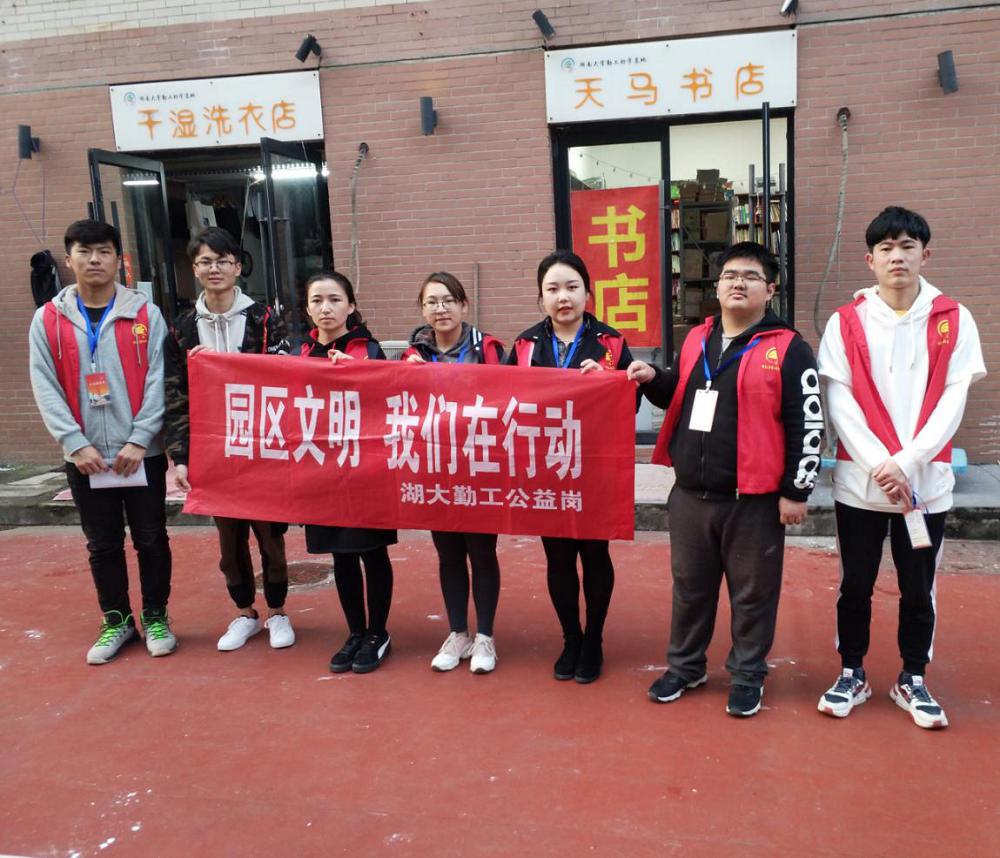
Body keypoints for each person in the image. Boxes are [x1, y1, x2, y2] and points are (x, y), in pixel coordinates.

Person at [816, 207, 986, 729]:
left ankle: (912, 677)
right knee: (855, 583)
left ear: (925, 255)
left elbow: (953, 401)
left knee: (919, 588)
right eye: (886, 248)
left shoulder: (954, 318)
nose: (897, 256)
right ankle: (852, 672)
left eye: (907, 246)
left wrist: (907, 463)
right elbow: (839, 402)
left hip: (925, 487)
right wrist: (879, 465)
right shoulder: (846, 322)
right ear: (869, 260)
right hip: (859, 487)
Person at [643, 241, 821, 717]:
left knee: (753, 595)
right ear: (717, 286)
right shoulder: (697, 339)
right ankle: (686, 667)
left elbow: (808, 422)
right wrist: (651, 378)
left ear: (770, 290)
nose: (738, 283)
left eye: (750, 276)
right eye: (729, 276)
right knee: (690, 589)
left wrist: (796, 490)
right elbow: (680, 395)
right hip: (691, 496)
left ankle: (747, 676)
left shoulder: (789, 348)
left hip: (754, 500)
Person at [508, 250, 670, 684]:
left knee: (595, 553)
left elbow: (630, 401)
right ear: (540, 297)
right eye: (553, 289)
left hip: (595, 465)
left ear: (587, 293)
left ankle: (594, 638)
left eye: (572, 287)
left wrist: (605, 382)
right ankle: (571, 639)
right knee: (558, 556)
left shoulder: (611, 343)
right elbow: (504, 401)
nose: (563, 297)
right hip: (545, 467)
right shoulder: (524, 345)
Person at [28, 219, 175, 664]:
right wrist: (75, 443)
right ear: (69, 258)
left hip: (141, 454)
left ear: (117, 260)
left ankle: (156, 617)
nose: (95, 260)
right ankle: (117, 619)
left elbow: (161, 379)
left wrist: (141, 438)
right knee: (103, 543)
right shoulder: (48, 320)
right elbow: (44, 385)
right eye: (85, 251)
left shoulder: (145, 314)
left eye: (104, 251)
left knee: (151, 538)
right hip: (85, 457)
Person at [164, 227, 293, 652]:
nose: (214, 268)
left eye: (222, 261)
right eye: (205, 261)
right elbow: (175, 396)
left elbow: (285, 378)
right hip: (212, 451)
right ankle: (244, 612)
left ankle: (278, 611)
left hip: (262, 446)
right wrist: (181, 456)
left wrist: (225, 364)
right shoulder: (182, 328)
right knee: (229, 539)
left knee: (270, 536)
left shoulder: (264, 318)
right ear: (195, 269)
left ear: (238, 267)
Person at [403, 272, 505, 674]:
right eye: (431, 302)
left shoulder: (489, 349)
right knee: (448, 554)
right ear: (422, 310)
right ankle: (458, 632)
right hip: (435, 469)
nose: (440, 309)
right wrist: (406, 375)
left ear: (463, 305)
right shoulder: (413, 355)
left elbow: (509, 399)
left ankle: (485, 637)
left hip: (480, 467)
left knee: (481, 553)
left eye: (448, 300)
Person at [301, 271, 397, 674]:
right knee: (340, 555)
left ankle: (378, 633)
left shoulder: (369, 349)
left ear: (351, 306)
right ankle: (355, 631)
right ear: (308, 308)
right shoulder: (299, 353)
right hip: (321, 473)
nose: (326, 308)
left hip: (365, 472)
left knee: (371, 552)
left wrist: (354, 371)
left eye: (335, 300)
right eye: (317, 300)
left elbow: (388, 399)